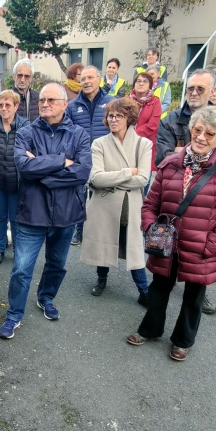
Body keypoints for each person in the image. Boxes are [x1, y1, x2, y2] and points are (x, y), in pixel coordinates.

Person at [127, 108, 216, 361]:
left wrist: (209, 246)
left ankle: (183, 340)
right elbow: (149, 206)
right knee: (159, 289)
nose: (201, 137)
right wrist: (150, 229)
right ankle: (150, 329)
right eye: (197, 130)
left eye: (209, 134)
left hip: (201, 247)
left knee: (193, 297)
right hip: (166, 244)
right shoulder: (170, 165)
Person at [0, 83, 91, 339]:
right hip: (32, 214)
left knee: (57, 265)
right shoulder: (27, 132)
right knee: (20, 269)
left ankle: (46, 297)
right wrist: (61, 161)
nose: (45, 104)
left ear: (64, 104)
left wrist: (43, 173)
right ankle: (14, 314)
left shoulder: (79, 134)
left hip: (66, 214)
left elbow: (82, 172)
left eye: (51, 100)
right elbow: (23, 166)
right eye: (42, 101)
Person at [81, 98, 152, 305]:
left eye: (118, 115)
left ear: (129, 118)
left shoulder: (143, 144)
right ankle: (101, 280)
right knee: (104, 243)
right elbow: (95, 178)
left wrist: (111, 181)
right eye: (110, 115)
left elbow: (143, 179)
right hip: (104, 207)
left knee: (134, 248)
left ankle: (144, 290)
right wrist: (127, 172)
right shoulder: (99, 144)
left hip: (130, 207)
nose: (113, 119)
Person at [66, 65, 111, 245]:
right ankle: (79, 231)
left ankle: (97, 233)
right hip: (81, 160)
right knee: (79, 197)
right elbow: (67, 133)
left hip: (104, 159)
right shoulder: (72, 106)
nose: (86, 82)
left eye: (90, 78)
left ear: (99, 79)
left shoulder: (111, 103)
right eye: (83, 79)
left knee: (100, 198)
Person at [0, 90, 29, 265]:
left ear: (16, 106)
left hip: (16, 183)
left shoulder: (25, 127)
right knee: (0, 216)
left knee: (15, 218)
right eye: (0, 105)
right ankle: (0, 248)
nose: (3, 109)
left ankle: (18, 251)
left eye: (8, 105)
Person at [129, 72, 160, 172]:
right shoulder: (126, 100)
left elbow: (153, 124)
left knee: (144, 175)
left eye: (145, 81)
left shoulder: (155, 102)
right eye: (138, 81)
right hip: (127, 143)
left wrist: (133, 134)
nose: (141, 84)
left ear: (150, 86)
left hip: (146, 143)